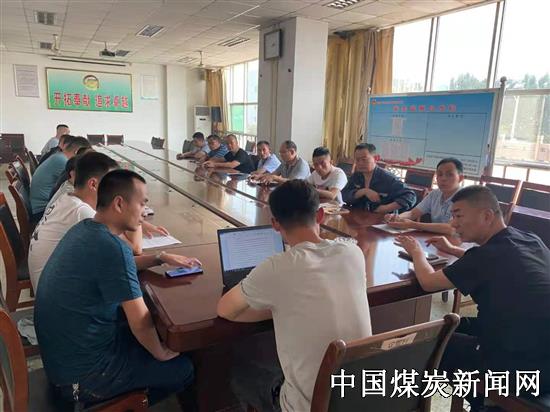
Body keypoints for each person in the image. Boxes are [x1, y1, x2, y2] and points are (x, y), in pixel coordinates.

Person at [35, 169, 198, 406]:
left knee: (147, 332)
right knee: (183, 368)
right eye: (142, 203)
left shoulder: (85, 229)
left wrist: (159, 258)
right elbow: (140, 321)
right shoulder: (112, 248)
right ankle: (125, 406)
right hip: (84, 378)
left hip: (62, 361)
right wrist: (160, 353)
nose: (145, 212)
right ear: (119, 203)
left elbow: (120, 264)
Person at [217, 180, 372, 412]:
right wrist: (284, 307)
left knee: (241, 374)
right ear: (320, 215)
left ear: (275, 224)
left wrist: (278, 308)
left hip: (307, 407)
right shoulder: (352, 252)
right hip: (363, 397)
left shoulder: (277, 267)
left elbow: (225, 309)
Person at [396, 185, 550, 410]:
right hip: (539, 346)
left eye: (459, 216)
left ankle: (485, 404)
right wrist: (454, 250)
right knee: (449, 326)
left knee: (431, 345)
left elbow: (428, 282)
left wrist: (416, 251)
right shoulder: (529, 239)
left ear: (487, 216)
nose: (453, 223)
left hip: (524, 364)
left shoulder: (486, 256)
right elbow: (489, 262)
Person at [29, 153, 182, 290]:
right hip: (62, 294)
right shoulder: (82, 213)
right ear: (93, 184)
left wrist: (138, 217)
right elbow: (133, 249)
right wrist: (135, 205)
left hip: (50, 286)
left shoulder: (68, 198)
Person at [384, 157, 464, 235]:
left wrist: (413, 225)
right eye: (440, 174)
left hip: (458, 241)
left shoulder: (465, 198)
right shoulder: (434, 194)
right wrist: (396, 218)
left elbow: (451, 228)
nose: (443, 178)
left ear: (460, 178)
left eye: (449, 175)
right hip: (437, 239)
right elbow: (412, 213)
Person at [30, 136, 91, 223]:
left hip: (42, 207)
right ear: (77, 152)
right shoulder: (64, 162)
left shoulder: (59, 156)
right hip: (41, 211)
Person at [342, 143, 416, 213]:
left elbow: (410, 196)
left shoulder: (387, 178)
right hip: (357, 215)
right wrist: (363, 191)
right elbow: (344, 195)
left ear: (375, 158)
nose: (360, 163)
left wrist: (385, 208)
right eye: (357, 160)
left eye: (364, 159)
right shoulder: (356, 176)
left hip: (380, 218)